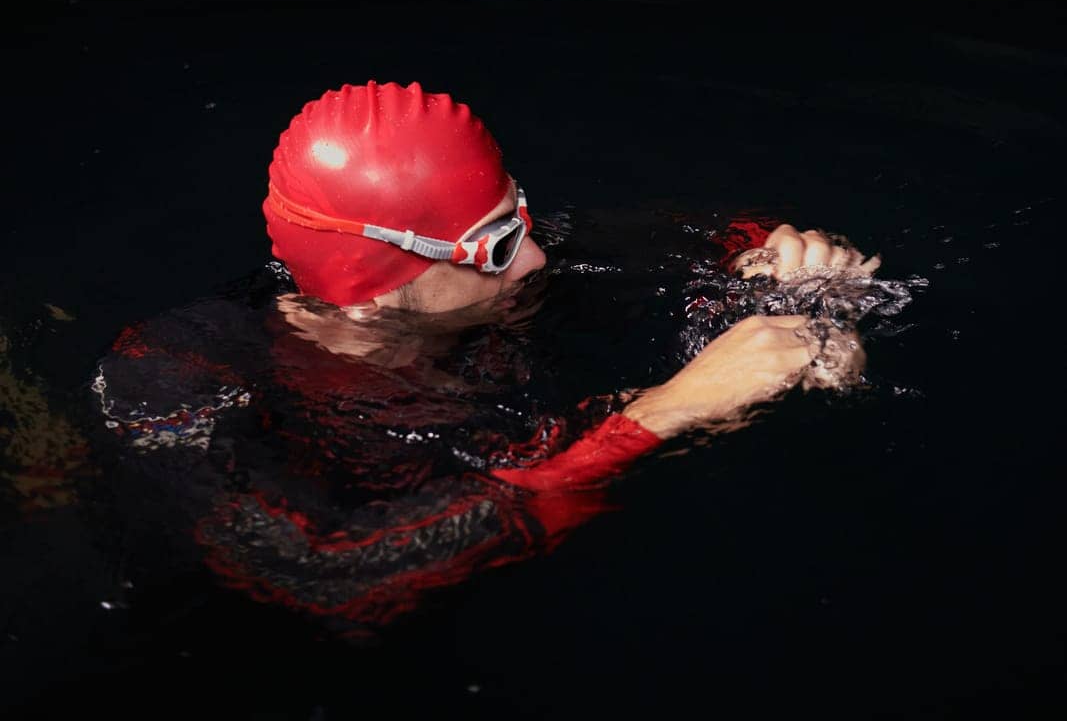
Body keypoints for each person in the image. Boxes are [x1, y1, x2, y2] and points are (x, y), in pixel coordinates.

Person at [92, 80, 880, 641]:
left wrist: (777, 250)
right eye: (500, 242)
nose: (535, 257)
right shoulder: (176, 375)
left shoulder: (496, 278)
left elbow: (707, 230)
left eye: (520, 212)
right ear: (373, 290)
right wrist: (662, 413)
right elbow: (326, 572)